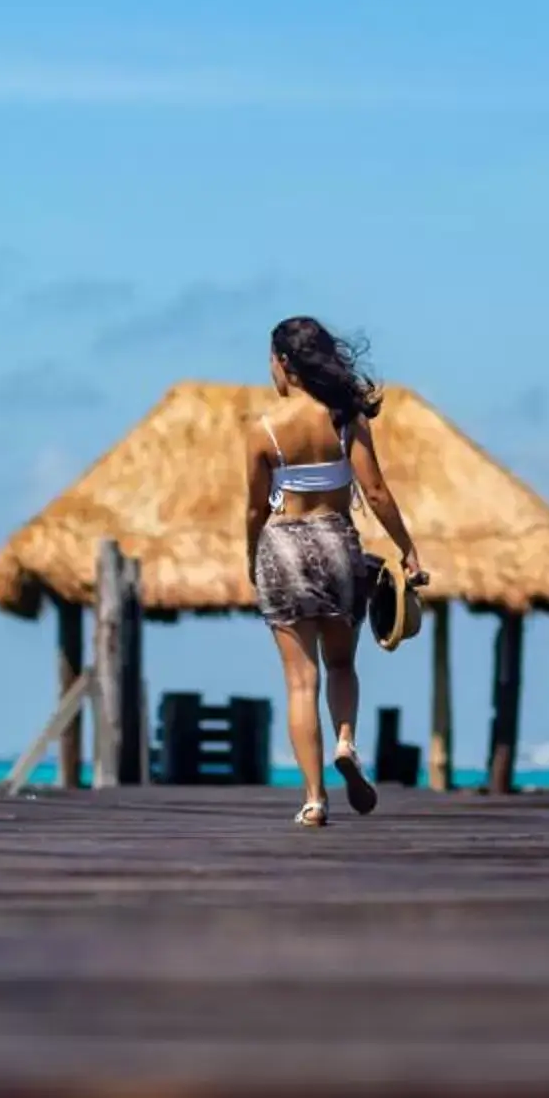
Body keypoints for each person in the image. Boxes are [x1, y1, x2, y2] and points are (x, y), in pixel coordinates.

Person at [245, 317, 424, 826]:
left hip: (281, 545)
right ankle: (345, 741)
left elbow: (255, 510)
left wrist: (250, 556)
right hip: (337, 543)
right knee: (341, 665)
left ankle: (313, 799)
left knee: (301, 682)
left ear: (284, 363)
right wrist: (408, 548)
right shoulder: (346, 419)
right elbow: (377, 492)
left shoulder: (262, 431)